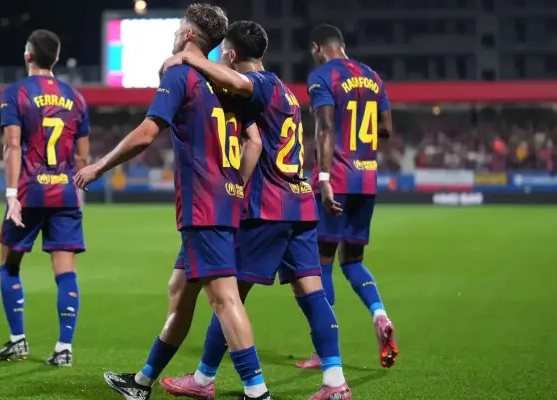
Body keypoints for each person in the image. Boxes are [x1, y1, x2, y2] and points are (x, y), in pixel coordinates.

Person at [74, 4, 272, 400]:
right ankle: (142, 382)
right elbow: (254, 140)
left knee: (224, 299)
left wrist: (98, 166)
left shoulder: (181, 74)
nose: (176, 32)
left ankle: (256, 391)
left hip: (204, 204)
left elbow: (148, 133)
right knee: (180, 289)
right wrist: (237, 184)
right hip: (225, 200)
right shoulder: (225, 81)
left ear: (190, 35)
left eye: (180, 26)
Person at [157, 21, 351, 400]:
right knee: (312, 293)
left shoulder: (259, 84)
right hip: (299, 203)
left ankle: (204, 379)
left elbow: (238, 85)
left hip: (269, 207)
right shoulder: (286, 91)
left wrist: (189, 59)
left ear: (231, 54)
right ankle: (334, 381)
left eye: (222, 54)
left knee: (229, 297)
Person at [296, 24, 398, 370]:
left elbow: (325, 127)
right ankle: (380, 314)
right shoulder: (373, 77)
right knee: (352, 261)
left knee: (321, 262)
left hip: (336, 178)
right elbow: (386, 129)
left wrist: (324, 178)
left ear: (317, 48)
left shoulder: (322, 76)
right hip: (366, 178)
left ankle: (324, 351)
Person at [0, 29, 90, 368]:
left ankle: (18, 340)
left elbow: (12, 146)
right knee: (65, 271)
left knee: (10, 264)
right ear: (57, 58)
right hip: (65, 192)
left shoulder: (16, 93)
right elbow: (82, 156)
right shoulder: (76, 98)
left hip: (29, 192)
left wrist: (11, 195)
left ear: (28, 55)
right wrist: (75, 195)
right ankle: (64, 348)